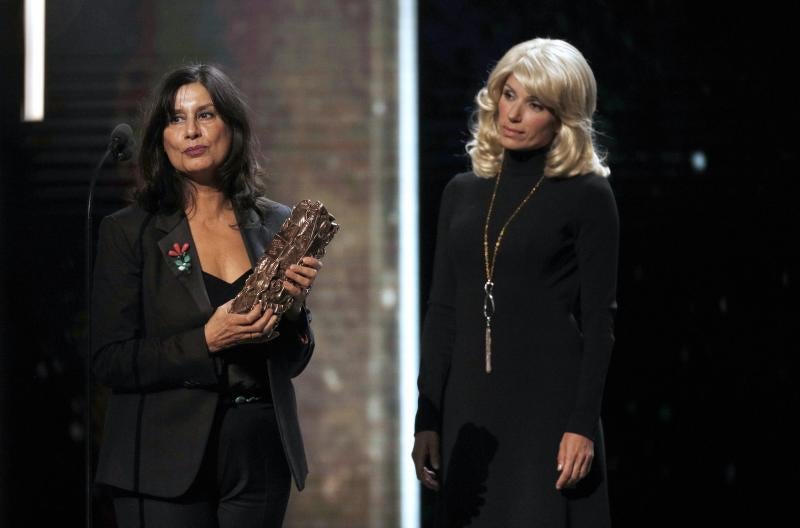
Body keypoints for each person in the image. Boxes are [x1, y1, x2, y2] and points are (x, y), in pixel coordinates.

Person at [91, 63, 322, 527]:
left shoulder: (275, 224)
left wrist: (295, 316)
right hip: (160, 459)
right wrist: (206, 341)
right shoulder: (128, 232)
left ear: (231, 128)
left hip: (257, 455)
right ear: (161, 137)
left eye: (206, 115)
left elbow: (289, 364)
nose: (192, 131)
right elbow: (109, 359)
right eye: (177, 119)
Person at [412, 38, 619, 527]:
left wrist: (581, 425)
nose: (514, 114)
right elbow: (442, 310)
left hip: (549, 412)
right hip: (469, 411)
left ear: (562, 117)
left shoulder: (588, 194)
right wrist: (428, 417)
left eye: (535, 104)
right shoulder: (460, 193)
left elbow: (599, 320)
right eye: (509, 94)